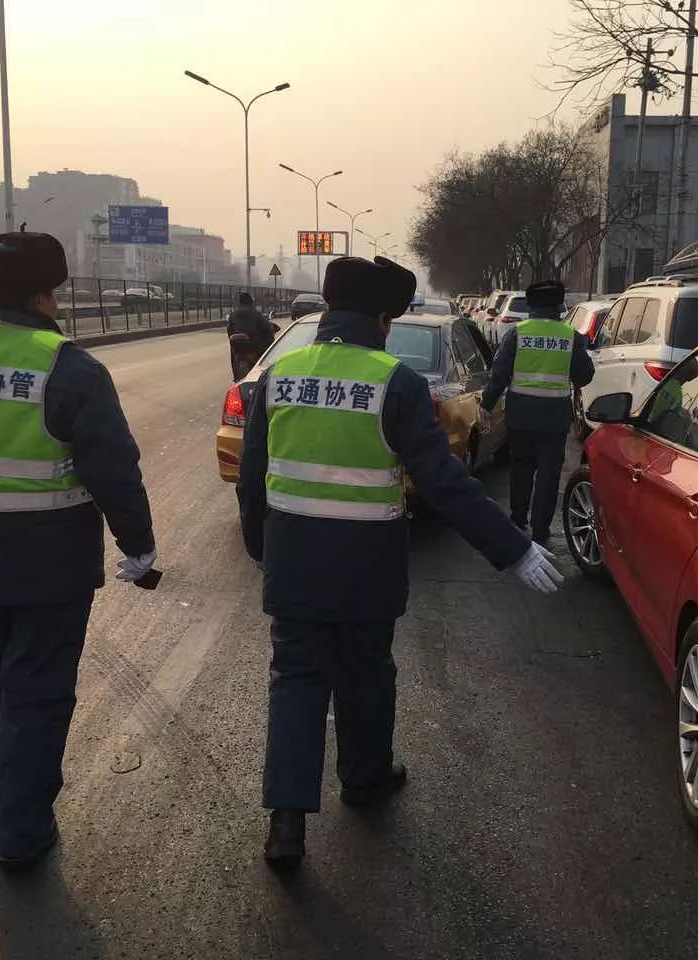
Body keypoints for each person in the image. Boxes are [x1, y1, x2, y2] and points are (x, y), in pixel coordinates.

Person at [237, 256, 564, 868]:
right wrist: (513, 547)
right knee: (366, 675)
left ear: (328, 310)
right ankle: (364, 781)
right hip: (367, 570)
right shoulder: (398, 384)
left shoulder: (278, 375)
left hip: (295, 564)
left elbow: (251, 483)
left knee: (295, 681)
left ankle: (286, 824)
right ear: (385, 319)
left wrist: (263, 550)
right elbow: (444, 482)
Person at [0, 231, 158, 872]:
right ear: (51, 291)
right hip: (50, 565)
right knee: (38, 689)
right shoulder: (68, 367)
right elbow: (114, 471)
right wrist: (139, 547)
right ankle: (22, 831)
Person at [481, 280, 595, 545]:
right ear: (558, 307)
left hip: (520, 416)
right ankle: (540, 531)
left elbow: (498, 376)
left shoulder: (517, 333)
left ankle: (518, 519)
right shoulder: (570, 336)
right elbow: (586, 374)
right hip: (554, 419)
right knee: (548, 475)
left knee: (520, 469)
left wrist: (486, 404)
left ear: (531, 306)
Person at [227, 291, 278, 379]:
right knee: (268, 350)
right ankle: (264, 373)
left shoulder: (233, 315)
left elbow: (230, 330)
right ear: (251, 302)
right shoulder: (256, 314)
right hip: (254, 346)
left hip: (238, 347)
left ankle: (236, 375)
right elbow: (267, 328)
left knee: (233, 351)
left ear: (240, 303)